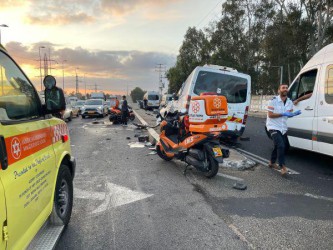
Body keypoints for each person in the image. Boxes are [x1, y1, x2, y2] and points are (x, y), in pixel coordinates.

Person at [266, 84, 301, 175]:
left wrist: (292, 114)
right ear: (279, 90)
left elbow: (288, 114)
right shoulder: (273, 101)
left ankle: (272, 163)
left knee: (277, 146)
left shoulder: (289, 102)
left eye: (286, 88)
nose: (285, 89)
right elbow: (270, 115)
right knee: (281, 146)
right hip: (273, 126)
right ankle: (283, 167)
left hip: (283, 128)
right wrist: (283, 114)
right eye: (283, 88)